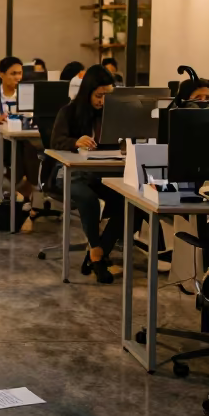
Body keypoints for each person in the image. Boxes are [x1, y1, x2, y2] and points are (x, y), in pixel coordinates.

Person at [49, 64, 123, 284]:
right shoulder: (69, 112)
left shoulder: (114, 114)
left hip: (102, 172)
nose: (102, 101)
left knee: (129, 205)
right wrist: (74, 142)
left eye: (107, 96)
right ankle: (98, 257)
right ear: (88, 91)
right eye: (99, 96)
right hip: (71, 173)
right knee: (87, 198)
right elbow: (55, 142)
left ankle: (96, 252)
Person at [0, 55, 39, 199]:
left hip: (22, 139)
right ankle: (25, 188)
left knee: (33, 147)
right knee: (18, 148)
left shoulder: (26, 95)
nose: (18, 77)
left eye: (20, 73)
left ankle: (23, 186)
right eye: (13, 73)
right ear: (1, 75)